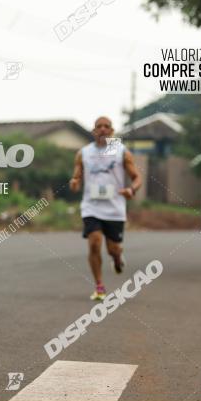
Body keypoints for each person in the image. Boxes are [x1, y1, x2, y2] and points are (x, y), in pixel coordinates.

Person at [69, 117, 142, 301]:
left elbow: (137, 177)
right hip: (91, 207)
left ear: (112, 131)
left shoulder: (120, 151)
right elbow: (76, 177)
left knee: (112, 249)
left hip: (115, 208)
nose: (102, 129)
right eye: (98, 127)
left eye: (106, 126)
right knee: (94, 243)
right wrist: (74, 183)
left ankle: (117, 258)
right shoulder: (84, 153)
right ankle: (99, 286)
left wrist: (131, 189)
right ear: (93, 131)